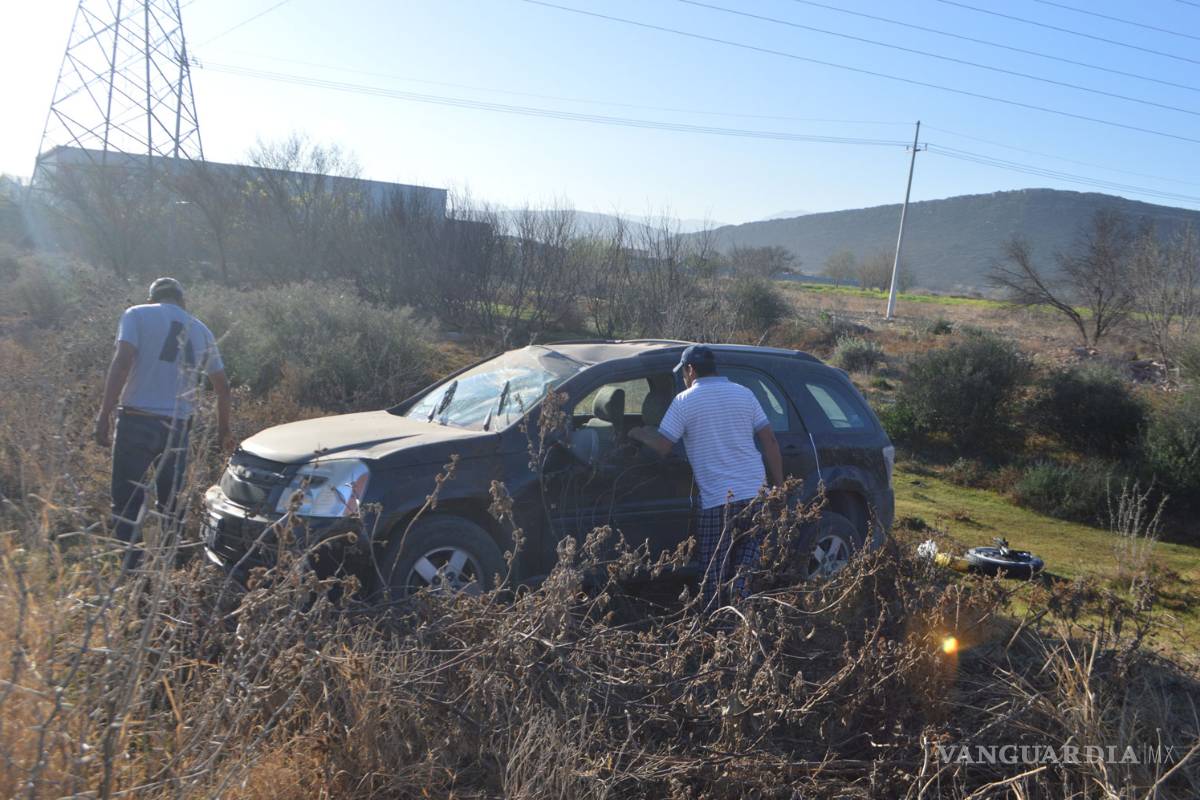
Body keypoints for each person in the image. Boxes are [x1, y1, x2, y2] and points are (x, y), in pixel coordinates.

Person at [629, 345, 783, 609]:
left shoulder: (685, 401)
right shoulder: (744, 393)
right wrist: (779, 486)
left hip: (718, 502)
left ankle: (715, 626)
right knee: (744, 566)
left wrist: (638, 433)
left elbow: (663, 446)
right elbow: (769, 439)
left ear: (690, 370)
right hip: (756, 495)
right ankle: (742, 620)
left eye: (685, 373)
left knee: (714, 569)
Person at [93, 277, 231, 569]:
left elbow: (122, 363)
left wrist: (104, 414)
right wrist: (223, 432)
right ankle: (170, 572)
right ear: (182, 301)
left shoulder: (137, 314)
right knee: (172, 507)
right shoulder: (202, 330)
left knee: (127, 504)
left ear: (153, 297)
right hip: (178, 429)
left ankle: (133, 574)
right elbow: (222, 386)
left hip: (136, 422)